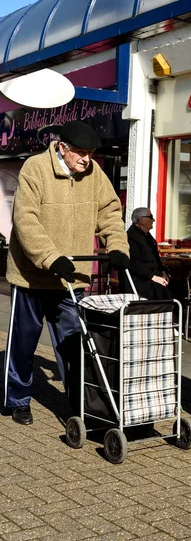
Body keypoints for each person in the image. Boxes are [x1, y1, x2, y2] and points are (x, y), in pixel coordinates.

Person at [4, 121, 130, 425]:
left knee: (75, 344)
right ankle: (18, 399)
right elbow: (25, 220)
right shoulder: (35, 168)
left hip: (73, 278)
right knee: (24, 343)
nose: (86, 159)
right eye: (81, 153)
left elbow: (110, 212)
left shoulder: (94, 173)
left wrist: (117, 247)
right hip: (32, 275)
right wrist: (50, 257)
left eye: (90, 153)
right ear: (63, 148)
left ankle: (81, 404)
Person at [121, 207, 185, 305]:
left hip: (154, 275)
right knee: (164, 291)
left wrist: (163, 272)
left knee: (180, 286)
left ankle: (178, 319)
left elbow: (156, 258)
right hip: (141, 280)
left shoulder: (147, 236)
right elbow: (134, 263)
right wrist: (153, 277)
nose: (153, 220)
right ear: (141, 220)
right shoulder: (131, 237)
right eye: (150, 217)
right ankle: (165, 318)